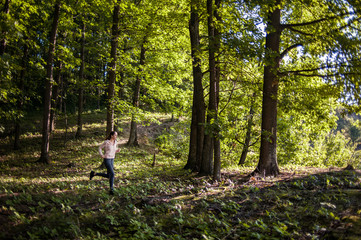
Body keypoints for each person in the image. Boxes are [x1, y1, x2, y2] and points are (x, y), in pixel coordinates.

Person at [89, 131, 120, 195]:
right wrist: (101, 154)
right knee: (112, 174)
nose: (116, 136)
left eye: (116, 135)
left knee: (109, 175)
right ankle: (111, 190)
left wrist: (117, 151)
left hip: (112, 159)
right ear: (111, 135)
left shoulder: (115, 142)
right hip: (107, 159)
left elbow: (113, 150)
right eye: (115, 135)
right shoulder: (106, 142)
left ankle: (94, 173)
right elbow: (100, 148)